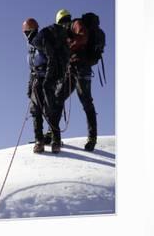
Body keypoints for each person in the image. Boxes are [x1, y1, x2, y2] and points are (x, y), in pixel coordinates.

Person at [54, 9, 98, 151]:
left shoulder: (76, 24)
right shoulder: (67, 32)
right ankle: (53, 132)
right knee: (58, 97)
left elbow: (83, 37)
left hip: (81, 68)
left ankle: (92, 137)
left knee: (86, 101)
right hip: (72, 69)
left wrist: (68, 48)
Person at [23, 18, 69, 153]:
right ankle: (45, 141)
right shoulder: (33, 43)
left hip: (46, 80)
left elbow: (51, 58)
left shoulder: (39, 40)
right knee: (39, 109)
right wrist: (30, 85)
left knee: (47, 110)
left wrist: (48, 80)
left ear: (26, 31)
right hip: (39, 79)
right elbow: (33, 68)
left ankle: (47, 141)